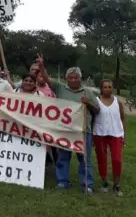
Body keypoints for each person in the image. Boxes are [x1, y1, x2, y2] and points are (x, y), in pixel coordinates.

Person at [37, 54, 99, 193]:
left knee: (84, 159)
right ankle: (62, 182)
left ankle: (87, 184)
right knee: (63, 157)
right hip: (65, 130)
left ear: (80, 78)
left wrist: (88, 103)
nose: (72, 80)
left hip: (82, 131)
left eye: (75, 77)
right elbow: (47, 79)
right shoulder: (60, 89)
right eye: (70, 77)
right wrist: (41, 66)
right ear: (66, 78)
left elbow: (97, 111)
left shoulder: (88, 93)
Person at [93, 79, 125, 196]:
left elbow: (122, 118)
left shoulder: (118, 102)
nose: (107, 89)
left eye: (110, 87)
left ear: (113, 88)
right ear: (101, 89)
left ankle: (116, 185)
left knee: (117, 160)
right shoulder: (96, 101)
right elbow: (92, 118)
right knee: (102, 159)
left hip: (116, 134)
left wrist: (124, 134)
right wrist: (92, 136)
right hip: (100, 133)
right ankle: (104, 183)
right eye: (105, 87)